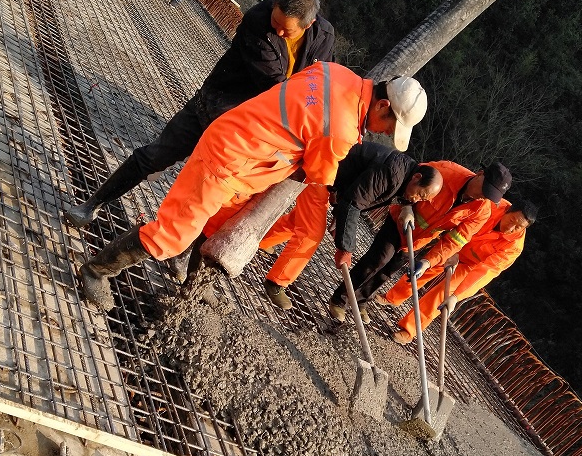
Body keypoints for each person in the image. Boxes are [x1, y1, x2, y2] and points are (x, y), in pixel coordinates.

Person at [76, 64, 428, 309]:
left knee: (215, 226)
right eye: (388, 126)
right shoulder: (341, 129)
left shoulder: (337, 73)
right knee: (173, 235)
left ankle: (192, 284)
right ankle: (96, 270)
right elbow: (319, 174)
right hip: (229, 158)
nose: (384, 133)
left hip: (248, 155)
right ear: (383, 105)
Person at [64, 0, 334, 228]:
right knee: (157, 155)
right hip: (217, 104)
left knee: (214, 194)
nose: (278, 30)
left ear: (308, 24)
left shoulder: (324, 36)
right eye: (276, 22)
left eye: (287, 30)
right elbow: (274, 86)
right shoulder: (257, 21)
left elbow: (319, 82)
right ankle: (93, 203)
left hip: (250, 130)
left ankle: (178, 249)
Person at [258, 142, 443, 310]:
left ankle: (261, 240)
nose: (416, 200)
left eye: (422, 200)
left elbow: (356, 194)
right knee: (311, 232)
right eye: (420, 195)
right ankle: (276, 282)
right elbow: (354, 203)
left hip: (333, 177)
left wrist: (339, 214)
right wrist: (346, 248)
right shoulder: (391, 174)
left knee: (301, 220)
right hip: (323, 169)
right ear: (416, 177)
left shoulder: (402, 176)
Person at [328, 161, 512, 322]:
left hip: (418, 240)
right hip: (399, 221)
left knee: (387, 271)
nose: (482, 196)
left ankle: (361, 300)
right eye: (484, 189)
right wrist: (406, 206)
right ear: (480, 174)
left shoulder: (482, 211)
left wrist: (428, 262)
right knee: (378, 260)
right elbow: (411, 176)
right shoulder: (447, 172)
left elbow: (454, 241)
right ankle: (340, 299)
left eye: (488, 196)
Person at [388, 200, 537, 343]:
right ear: (507, 211)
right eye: (511, 220)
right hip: (457, 243)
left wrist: (456, 297)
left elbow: (485, 272)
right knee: (425, 267)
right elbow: (463, 218)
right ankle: (392, 297)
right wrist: (454, 248)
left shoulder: (514, 247)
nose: (511, 228)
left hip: (470, 265)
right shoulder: (492, 205)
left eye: (518, 227)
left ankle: (409, 330)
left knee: (443, 294)